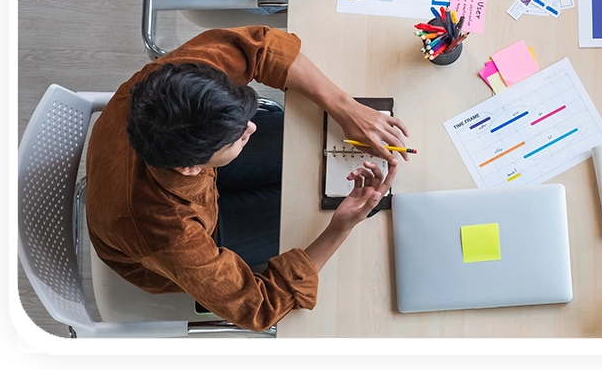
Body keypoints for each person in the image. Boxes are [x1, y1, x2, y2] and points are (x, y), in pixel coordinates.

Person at [85, 25, 409, 332]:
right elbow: (260, 306)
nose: (251, 127)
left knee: (311, 149)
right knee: (318, 215)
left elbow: (262, 46)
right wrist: (341, 227)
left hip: (178, 168)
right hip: (190, 235)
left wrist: (344, 107)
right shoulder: (168, 235)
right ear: (192, 168)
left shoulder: (176, 81)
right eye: (236, 136)